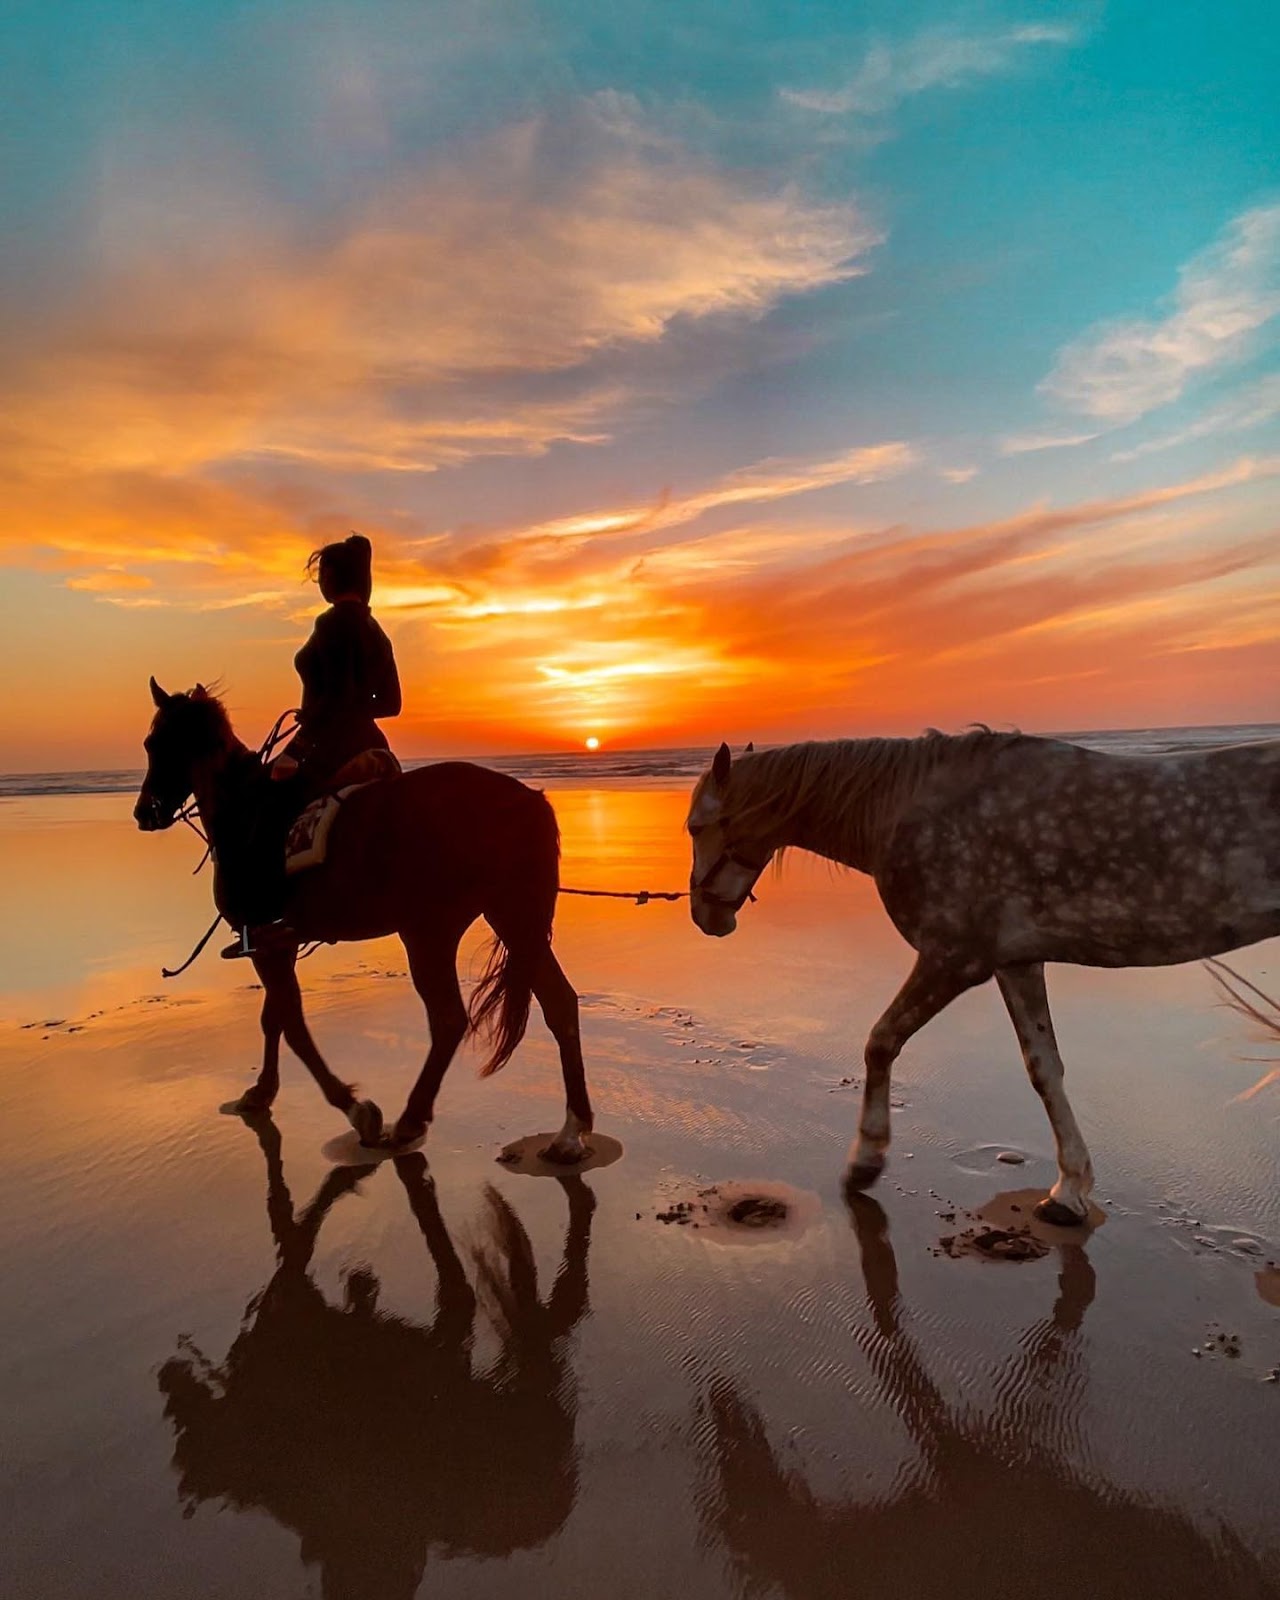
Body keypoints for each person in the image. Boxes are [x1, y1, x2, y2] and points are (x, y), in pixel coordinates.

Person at [221, 533, 403, 958]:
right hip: (372, 744)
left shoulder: (331, 623)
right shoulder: (376, 631)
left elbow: (333, 700)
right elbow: (391, 704)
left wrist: (303, 739)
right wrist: (351, 708)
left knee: (265, 810)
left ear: (336, 578)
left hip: (329, 745)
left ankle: (266, 922)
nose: (319, 581)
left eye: (322, 574)